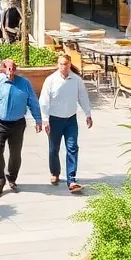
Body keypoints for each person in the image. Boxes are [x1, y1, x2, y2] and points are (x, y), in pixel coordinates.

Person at [0, 58, 43, 197]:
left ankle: (12, 178)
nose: (11, 71)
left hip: (17, 123)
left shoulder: (24, 83)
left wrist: (38, 120)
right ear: (3, 69)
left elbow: (33, 102)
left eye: (13, 68)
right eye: (9, 68)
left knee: (15, 154)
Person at [39, 53, 93, 193]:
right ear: (58, 65)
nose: (64, 66)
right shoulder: (50, 80)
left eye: (66, 64)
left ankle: (71, 179)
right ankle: (55, 173)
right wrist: (45, 120)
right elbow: (44, 101)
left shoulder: (76, 80)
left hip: (70, 120)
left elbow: (83, 97)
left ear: (70, 64)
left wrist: (88, 114)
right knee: (54, 149)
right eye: (61, 64)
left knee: (72, 147)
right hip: (54, 119)